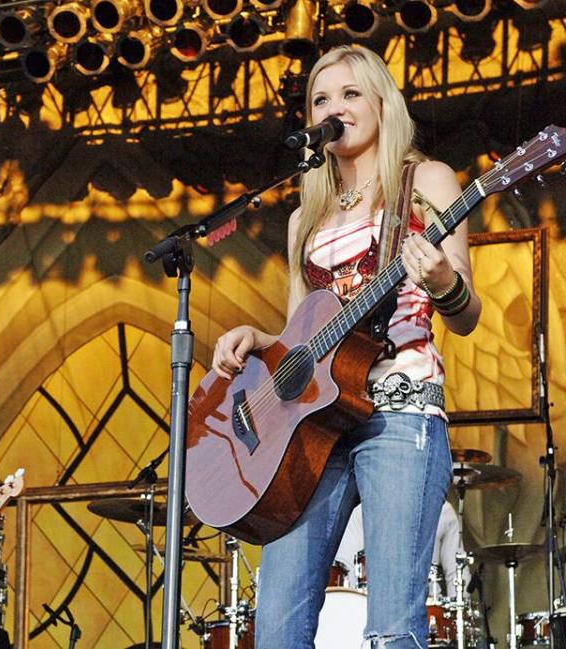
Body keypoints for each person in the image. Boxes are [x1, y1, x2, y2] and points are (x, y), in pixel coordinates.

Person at [211, 45, 481, 648]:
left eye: (350, 94)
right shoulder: (303, 217)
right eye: (321, 99)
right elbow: (297, 336)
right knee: (277, 629)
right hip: (314, 430)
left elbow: (467, 316)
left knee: (392, 629)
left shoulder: (426, 181)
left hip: (400, 413)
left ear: (384, 104)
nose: (335, 108)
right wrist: (259, 340)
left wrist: (441, 281)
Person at [335, 502, 469, 599]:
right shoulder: (363, 511)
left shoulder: (443, 510)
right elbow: (345, 571)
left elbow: (457, 573)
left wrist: (456, 626)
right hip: (373, 609)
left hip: (428, 611)